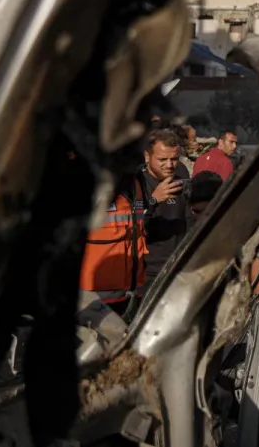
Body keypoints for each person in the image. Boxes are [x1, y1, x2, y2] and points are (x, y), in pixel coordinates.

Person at [79, 171, 148, 314]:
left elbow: (137, 230)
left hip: (130, 291)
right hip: (92, 296)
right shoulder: (83, 180)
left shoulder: (136, 180)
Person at [141, 128, 190, 280]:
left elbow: (189, 219)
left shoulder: (181, 176)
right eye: (162, 160)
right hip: (148, 271)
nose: (169, 165)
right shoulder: (136, 184)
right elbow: (132, 225)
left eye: (174, 159)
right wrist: (154, 200)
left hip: (179, 267)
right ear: (147, 156)